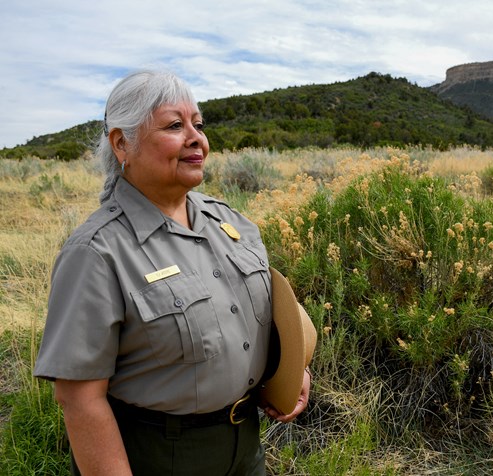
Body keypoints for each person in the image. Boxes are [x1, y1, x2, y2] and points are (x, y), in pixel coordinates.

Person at [34, 70, 311, 475]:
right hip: (160, 456)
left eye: (198, 124)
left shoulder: (231, 224)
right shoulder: (96, 252)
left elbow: (268, 317)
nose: (196, 137)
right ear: (121, 143)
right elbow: (80, 400)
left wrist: (292, 370)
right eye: (174, 125)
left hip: (247, 448)